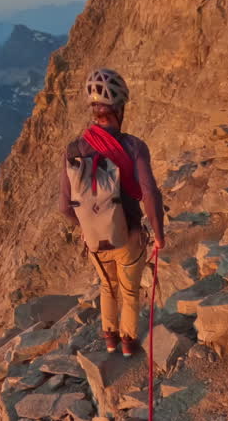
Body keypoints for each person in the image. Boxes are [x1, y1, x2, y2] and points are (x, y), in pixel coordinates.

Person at [59, 68, 166, 358]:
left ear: (94, 111)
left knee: (107, 287)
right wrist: (158, 235)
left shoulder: (73, 149)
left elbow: (65, 207)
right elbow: (149, 194)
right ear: (119, 109)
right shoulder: (133, 146)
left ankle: (109, 338)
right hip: (129, 234)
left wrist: (87, 226)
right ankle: (129, 343)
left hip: (96, 240)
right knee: (129, 291)